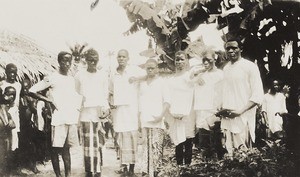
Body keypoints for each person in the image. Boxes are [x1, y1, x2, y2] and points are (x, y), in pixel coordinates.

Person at [29, 51, 82, 177]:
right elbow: (32, 91)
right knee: (55, 149)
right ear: (59, 61)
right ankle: (58, 175)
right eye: (64, 60)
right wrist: (48, 100)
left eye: (69, 60)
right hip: (57, 119)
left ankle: (68, 175)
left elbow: (76, 98)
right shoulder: (51, 77)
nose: (67, 63)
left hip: (69, 118)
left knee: (66, 150)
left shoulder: (71, 79)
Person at [220, 39, 264, 155]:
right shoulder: (226, 68)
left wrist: (240, 111)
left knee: (244, 153)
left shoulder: (250, 67)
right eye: (228, 48)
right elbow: (224, 93)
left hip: (244, 116)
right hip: (229, 117)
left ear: (241, 49)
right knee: (231, 152)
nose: (231, 51)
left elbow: (258, 95)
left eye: (234, 48)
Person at [110, 49, 145, 176]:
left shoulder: (134, 70)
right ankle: (123, 167)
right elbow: (110, 91)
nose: (121, 59)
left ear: (128, 58)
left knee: (132, 139)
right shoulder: (113, 74)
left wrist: (137, 78)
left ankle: (131, 169)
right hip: (119, 111)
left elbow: (149, 74)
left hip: (132, 110)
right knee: (121, 139)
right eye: (119, 56)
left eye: (124, 56)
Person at [75, 48, 109, 177]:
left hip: (99, 114)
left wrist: (106, 112)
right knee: (88, 146)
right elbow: (76, 94)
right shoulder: (79, 75)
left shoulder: (103, 75)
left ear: (98, 60)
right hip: (85, 114)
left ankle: (98, 170)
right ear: (86, 60)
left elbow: (105, 96)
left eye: (95, 59)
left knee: (99, 144)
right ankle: (89, 171)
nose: (92, 61)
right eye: (90, 59)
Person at [139, 59, 170, 177]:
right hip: (145, 120)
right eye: (148, 68)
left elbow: (167, 102)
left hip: (157, 120)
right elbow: (140, 102)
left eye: (152, 68)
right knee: (145, 147)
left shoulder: (162, 82)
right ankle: (146, 172)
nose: (150, 70)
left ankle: (156, 172)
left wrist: (161, 116)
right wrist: (139, 119)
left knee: (156, 147)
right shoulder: (142, 84)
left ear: (157, 68)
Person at [190, 50, 224, 158]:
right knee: (204, 142)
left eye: (208, 60)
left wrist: (219, 109)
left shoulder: (220, 74)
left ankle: (219, 164)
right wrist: (197, 76)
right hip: (201, 110)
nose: (205, 63)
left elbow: (223, 92)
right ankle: (206, 166)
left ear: (214, 59)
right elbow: (188, 80)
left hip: (214, 110)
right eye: (203, 60)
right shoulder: (200, 74)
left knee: (217, 140)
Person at [166, 51, 196, 167]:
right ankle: (179, 168)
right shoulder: (171, 80)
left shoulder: (190, 76)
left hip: (188, 113)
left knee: (188, 141)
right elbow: (169, 97)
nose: (179, 62)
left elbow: (192, 95)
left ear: (186, 61)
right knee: (178, 141)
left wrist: (185, 112)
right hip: (175, 113)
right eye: (177, 60)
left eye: (182, 59)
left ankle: (187, 169)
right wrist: (173, 113)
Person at [19, 79, 40, 173]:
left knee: (32, 145)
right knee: (24, 145)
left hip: (30, 124)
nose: (25, 90)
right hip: (22, 124)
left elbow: (35, 111)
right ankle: (25, 165)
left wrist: (31, 104)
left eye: (27, 87)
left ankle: (33, 165)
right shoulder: (20, 98)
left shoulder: (32, 98)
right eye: (23, 88)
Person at [0, 63, 21, 153]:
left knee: (14, 135)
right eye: (10, 72)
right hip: (5, 111)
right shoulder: (2, 84)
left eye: (14, 72)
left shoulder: (18, 85)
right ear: (6, 72)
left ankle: (11, 158)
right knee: (6, 135)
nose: (12, 75)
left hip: (15, 111)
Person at [0, 86, 16, 177]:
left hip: (5, 135)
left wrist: (9, 120)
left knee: (5, 157)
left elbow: (12, 124)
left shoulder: (4, 107)